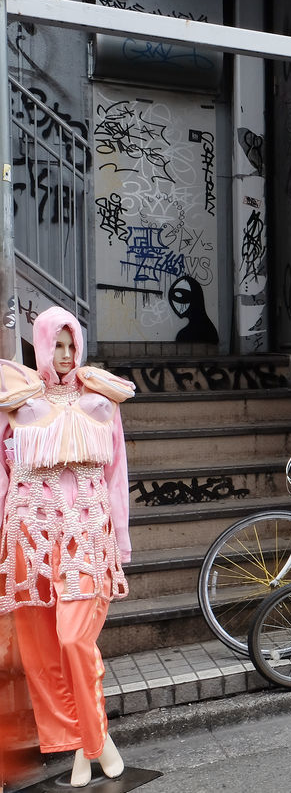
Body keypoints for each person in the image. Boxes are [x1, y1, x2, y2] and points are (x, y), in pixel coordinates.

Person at [0, 307, 135, 787]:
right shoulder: (17, 400)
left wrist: (120, 541)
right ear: (40, 344)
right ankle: (81, 744)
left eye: (71, 344)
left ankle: (92, 741)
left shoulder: (101, 399)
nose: (64, 355)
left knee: (76, 640)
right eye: (55, 345)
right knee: (41, 649)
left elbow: (116, 476)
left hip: (86, 535)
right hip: (31, 537)